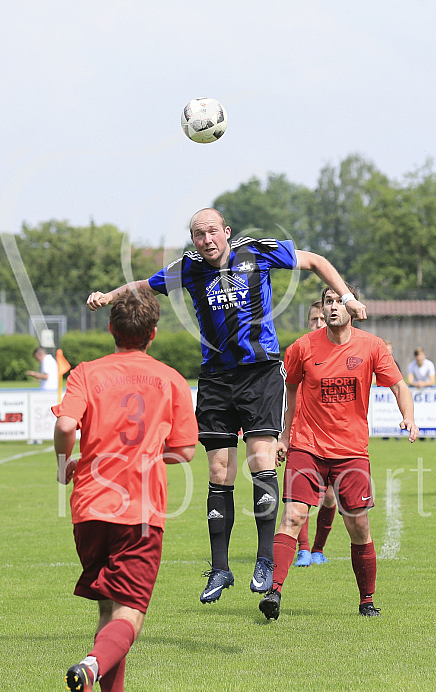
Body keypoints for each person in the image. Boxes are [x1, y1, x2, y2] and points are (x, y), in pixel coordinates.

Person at [86, 208, 367, 604]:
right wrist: (109, 295)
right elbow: (145, 285)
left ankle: (265, 560)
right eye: (198, 235)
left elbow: (315, 261)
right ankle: (220, 570)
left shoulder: (256, 252)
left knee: (260, 461)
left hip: (260, 373)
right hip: (216, 378)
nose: (206, 240)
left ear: (226, 232)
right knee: (219, 471)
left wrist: (350, 298)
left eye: (211, 232)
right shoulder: (189, 268)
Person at [53, 289, 197, 691]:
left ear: (111, 329)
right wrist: (149, 456)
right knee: (129, 613)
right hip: (140, 511)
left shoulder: (86, 372)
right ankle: (90, 665)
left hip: (89, 507)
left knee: (107, 611)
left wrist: (64, 465)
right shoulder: (170, 379)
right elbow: (185, 449)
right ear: (153, 334)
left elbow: (66, 426)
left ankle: (96, 667)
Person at [259, 284, 418, 621]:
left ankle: (366, 600)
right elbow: (289, 391)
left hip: (351, 452)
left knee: (358, 525)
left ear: (351, 306)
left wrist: (409, 417)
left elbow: (399, 386)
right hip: (307, 447)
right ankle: (274, 591)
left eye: (338, 302)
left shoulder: (372, 346)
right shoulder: (302, 348)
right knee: (293, 516)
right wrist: (284, 436)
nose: (332, 308)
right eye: (327, 301)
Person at [294, 301, 337, 568]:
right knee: (301, 498)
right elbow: (285, 392)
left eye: (322, 318)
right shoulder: (301, 350)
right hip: (303, 435)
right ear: (307, 322)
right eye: (314, 319)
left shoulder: (340, 351)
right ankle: (304, 548)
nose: (319, 323)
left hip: (335, 439)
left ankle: (319, 548)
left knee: (330, 496)